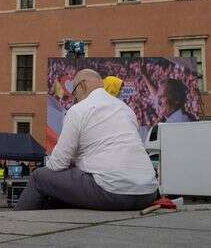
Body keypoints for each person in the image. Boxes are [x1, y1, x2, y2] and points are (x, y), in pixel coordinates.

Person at [16, 69, 158, 211]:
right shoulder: (126, 109)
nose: (74, 97)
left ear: (82, 85)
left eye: (74, 91)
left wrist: (68, 163)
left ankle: (15, 224)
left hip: (112, 191)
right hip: (147, 192)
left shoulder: (79, 109)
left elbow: (58, 164)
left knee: (39, 177)